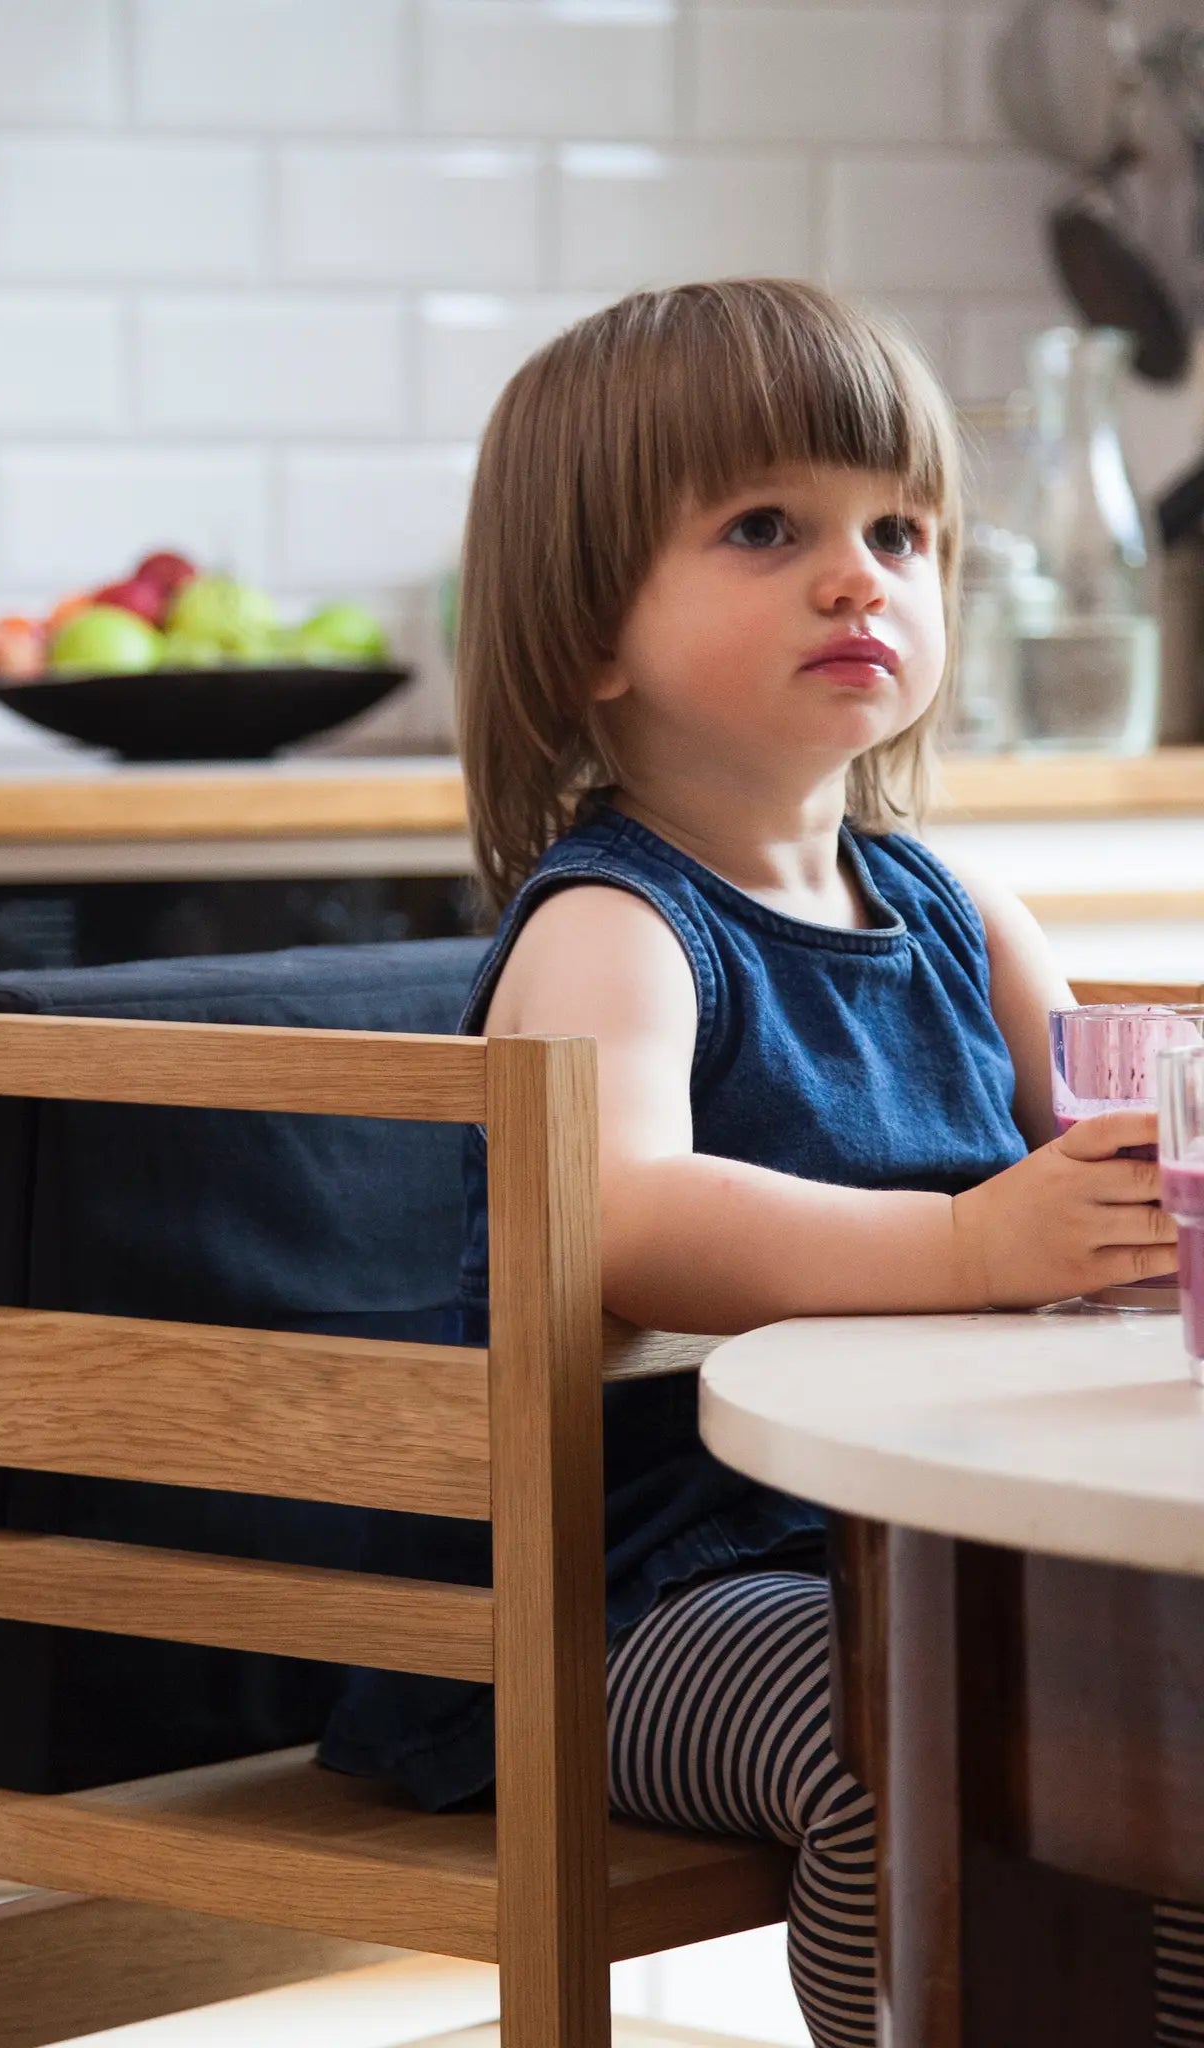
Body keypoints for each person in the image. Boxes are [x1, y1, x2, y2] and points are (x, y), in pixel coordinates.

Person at [316, 277, 1201, 2044]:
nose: (858, 575)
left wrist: (1140, 1195)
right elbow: (628, 1219)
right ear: (591, 634)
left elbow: (1112, 1161)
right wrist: (972, 1248)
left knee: (1143, 1726)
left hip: (926, 1549)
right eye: (767, 529)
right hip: (636, 1595)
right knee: (906, 1733)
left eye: (900, 532)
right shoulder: (617, 927)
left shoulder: (963, 913)